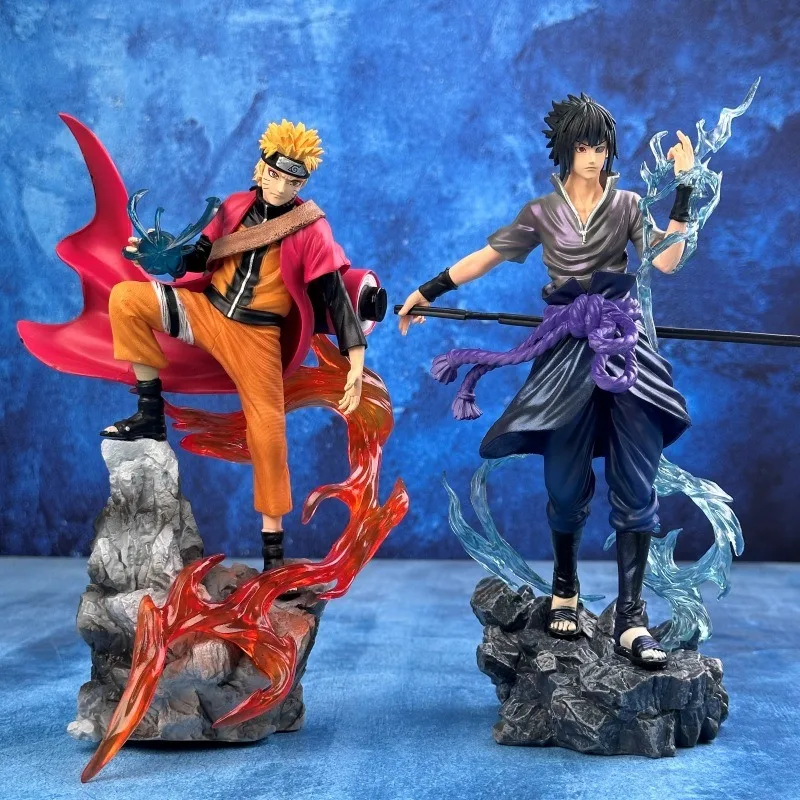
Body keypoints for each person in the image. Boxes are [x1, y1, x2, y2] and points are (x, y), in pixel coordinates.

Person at [399, 93, 695, 669]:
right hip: (564, 349)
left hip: (621, 344)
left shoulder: (628, 204)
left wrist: (683, 190)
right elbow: (486, 256)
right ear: (566, 149)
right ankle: (565, 587)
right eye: (583, 145)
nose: (594, 156)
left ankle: (632, 617)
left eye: (601, 145)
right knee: (563, 482)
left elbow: (665, 261)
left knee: (637, 484)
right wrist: (427, 291)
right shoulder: (541, 212)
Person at [102, 120, 370, 572]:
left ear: (303, 183)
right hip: (206, 311)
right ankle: (149, 415)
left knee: (269, 435)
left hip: (257, 336)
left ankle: (273, 553)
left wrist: (356, 363)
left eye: (292, 181)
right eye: (275, 175)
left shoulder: (312, 228)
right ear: (261, 168)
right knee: (126, 298)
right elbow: (199, 256)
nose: (280, 187)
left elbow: (335, 298)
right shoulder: (233, 206)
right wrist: (162, 256)